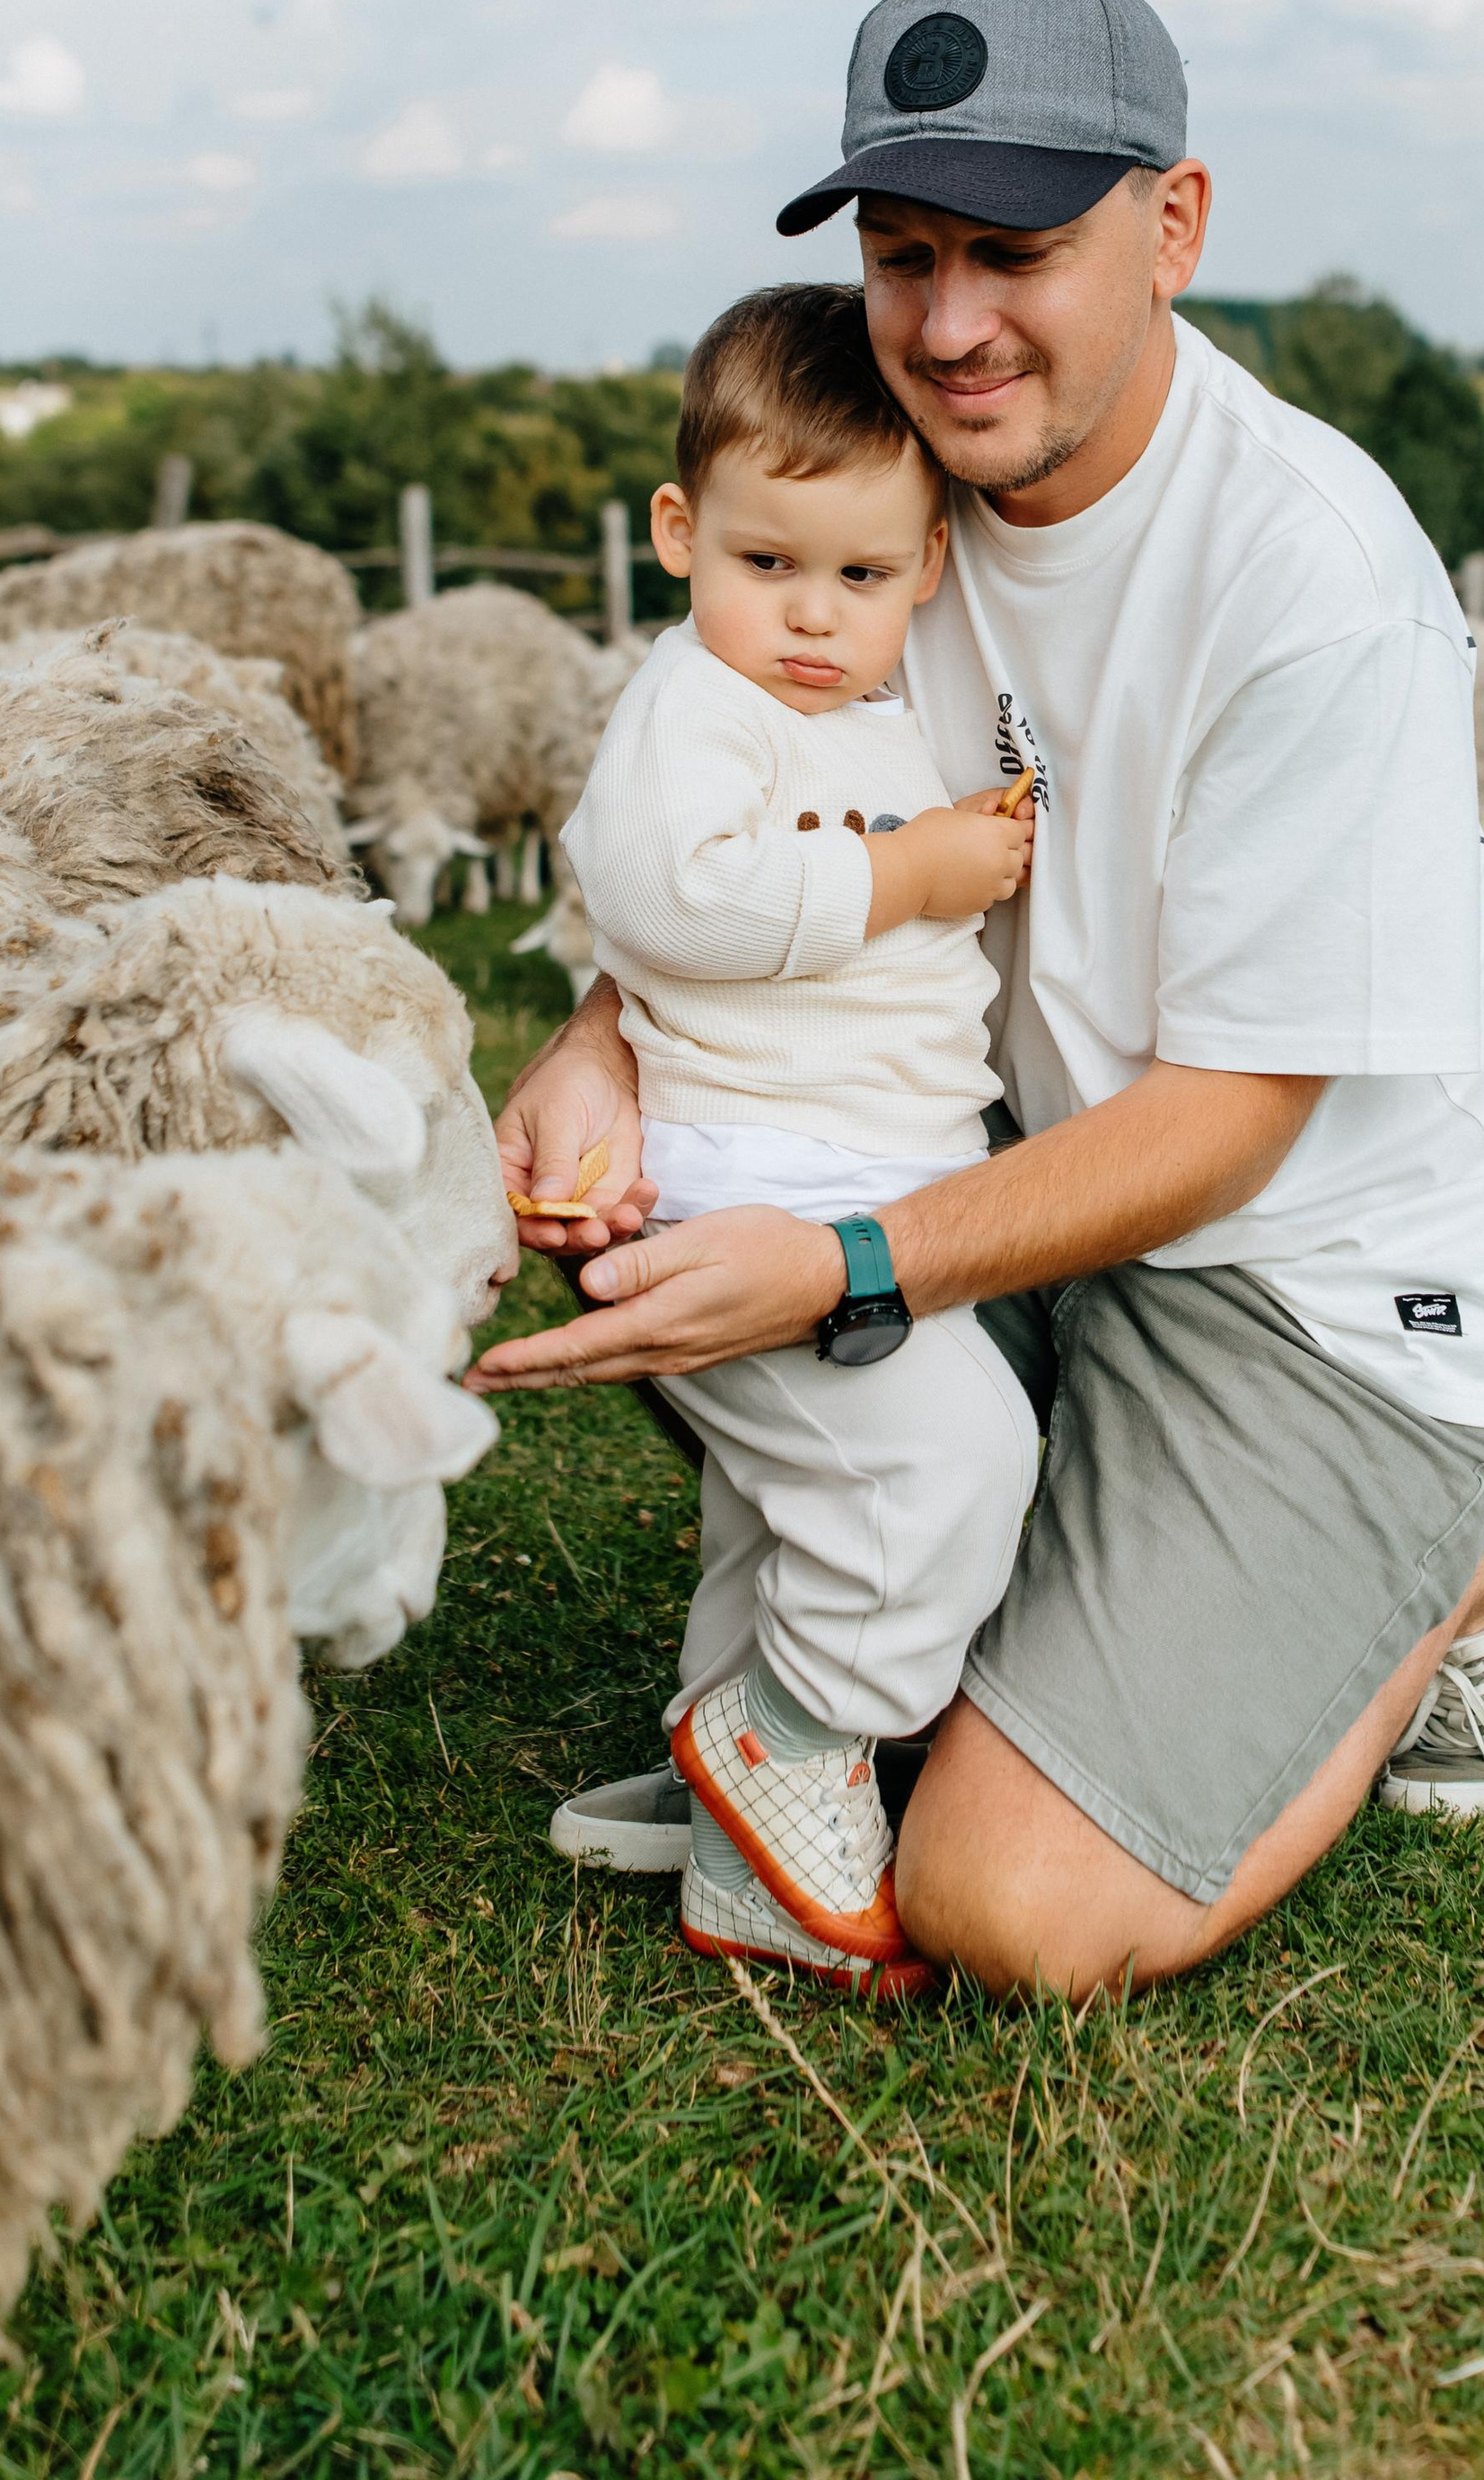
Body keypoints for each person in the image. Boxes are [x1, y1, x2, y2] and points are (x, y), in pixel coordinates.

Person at [474, 0, 1484, 2001]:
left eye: (1015, 251)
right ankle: (828, 1715)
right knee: (654, 1207)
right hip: (1034, 1176)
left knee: (1010, 1911)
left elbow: (1231, 1124)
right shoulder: (878, 506)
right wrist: (602, 1044)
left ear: (1171, 229)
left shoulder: (1306, 580)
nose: (948, 324)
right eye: (900, 256)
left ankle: (1465, 1553)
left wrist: (845, 1267)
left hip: (1324, 1289)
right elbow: (763, 838)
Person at [555, 284, 1040, 1995]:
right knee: (949, 1463)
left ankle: (739, 1841)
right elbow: (665, 893)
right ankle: (798, 1731)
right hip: (746, 1182)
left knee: (789, 1504)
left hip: (863, 1175)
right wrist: (907, 872)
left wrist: (944, 834)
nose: (815, 615)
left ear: (929, 566)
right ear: (681, 534)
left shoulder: (863, 709)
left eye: (863, 575)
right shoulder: (693, 702)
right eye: (770, 563)